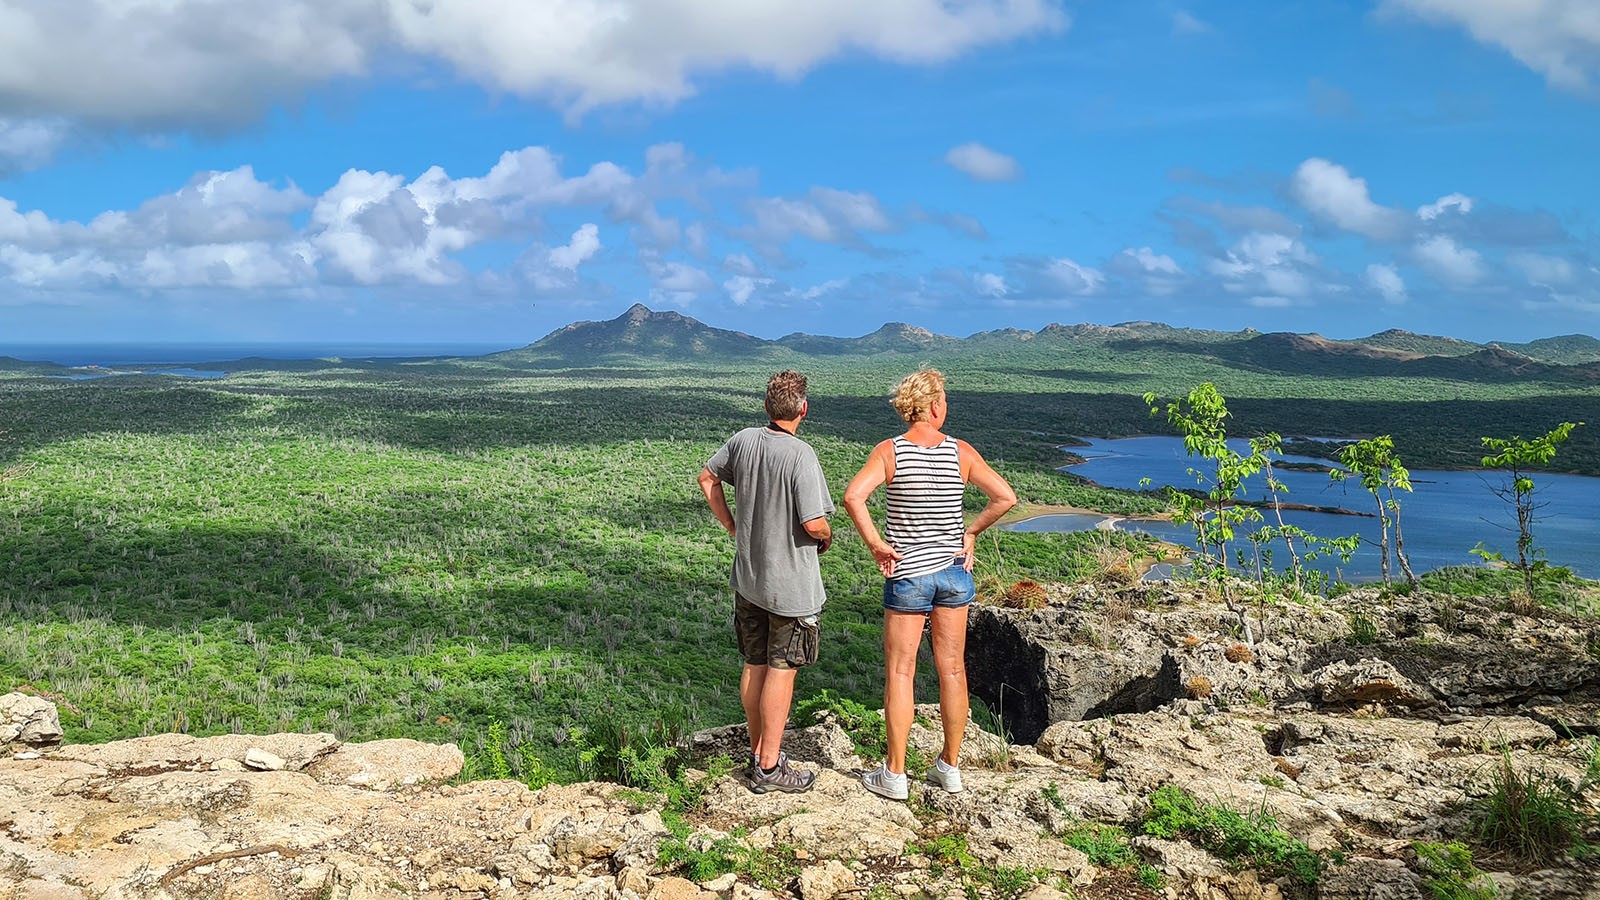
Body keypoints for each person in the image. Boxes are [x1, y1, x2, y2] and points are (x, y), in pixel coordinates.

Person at [842, 369, 1016, 800]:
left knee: (901, 672)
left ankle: (895, 774)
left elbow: (852, 496)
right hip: (954, 573)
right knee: (953, 669)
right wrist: (970, 532)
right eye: (944, 399)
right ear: (935, 406)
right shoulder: (960, 452)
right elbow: (1005, 497)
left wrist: (877, 545)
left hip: (907, 574)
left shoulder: (890, 451)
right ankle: (949, 766)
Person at [698, 370, 834, 794]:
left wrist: (732, 526)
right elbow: (813, 522)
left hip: (749, 579)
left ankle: (758, 752)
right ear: (804, 409)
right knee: (782, 669)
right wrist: (827, 536)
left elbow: (707, 478)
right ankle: (771, 768)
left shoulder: (742, 440)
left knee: (754, 663)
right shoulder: (800, 455)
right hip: (790, 587)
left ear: (766, 405)